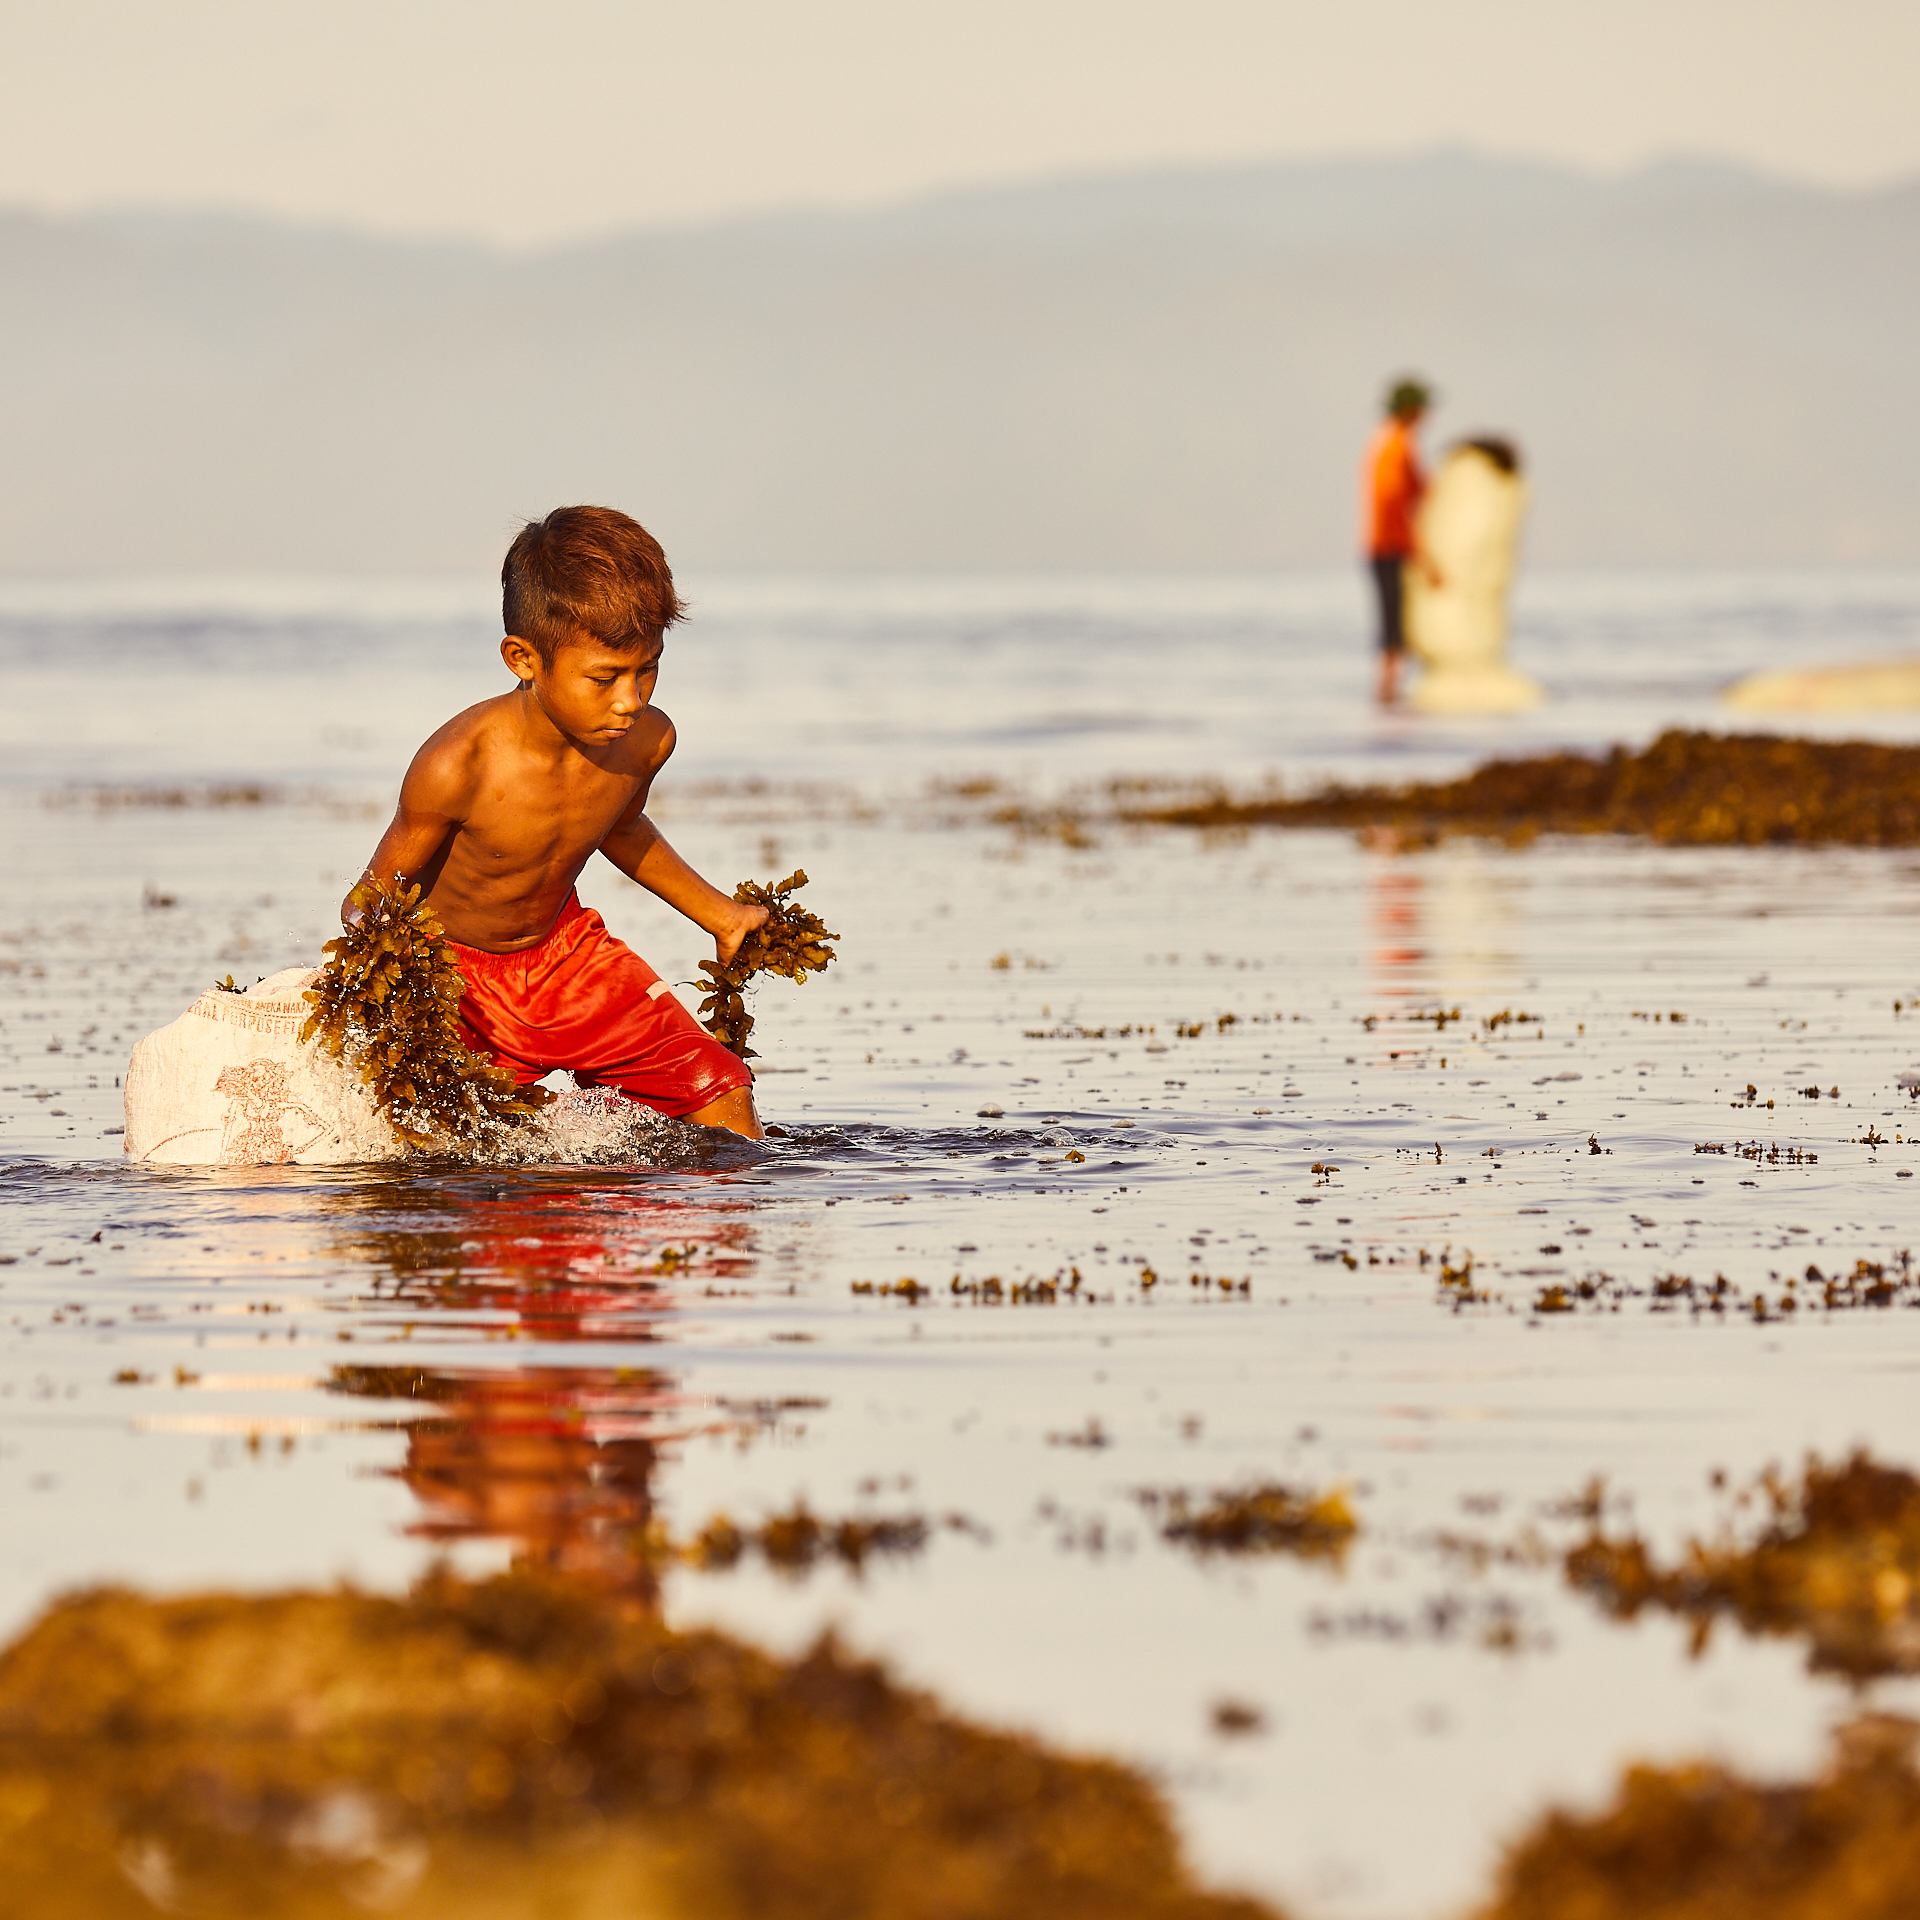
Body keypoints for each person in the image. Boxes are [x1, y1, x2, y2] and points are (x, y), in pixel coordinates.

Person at [343, 505, 766, 1138]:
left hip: (567, 957)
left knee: (723, 1094)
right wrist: (392, 994)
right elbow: (369, 900)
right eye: (604, 677)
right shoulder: (457, 766)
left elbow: (622, 829)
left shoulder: (645, 742)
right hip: (453, 982)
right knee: (457, 1151)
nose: (631, 699)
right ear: (523, 659)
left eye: (647, 668)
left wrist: (721, 915)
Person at [1361, 376, 1442, 706]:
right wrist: (1424, 557)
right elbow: (1393, 504)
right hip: (1389, 547)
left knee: (1398, 621)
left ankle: (1391, 692)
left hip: (1389, 545)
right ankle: (1387, 692)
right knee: (1394, 625)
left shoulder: (1396, 446)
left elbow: (1420, 491)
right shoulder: (1393, 448)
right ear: (1411, 411)